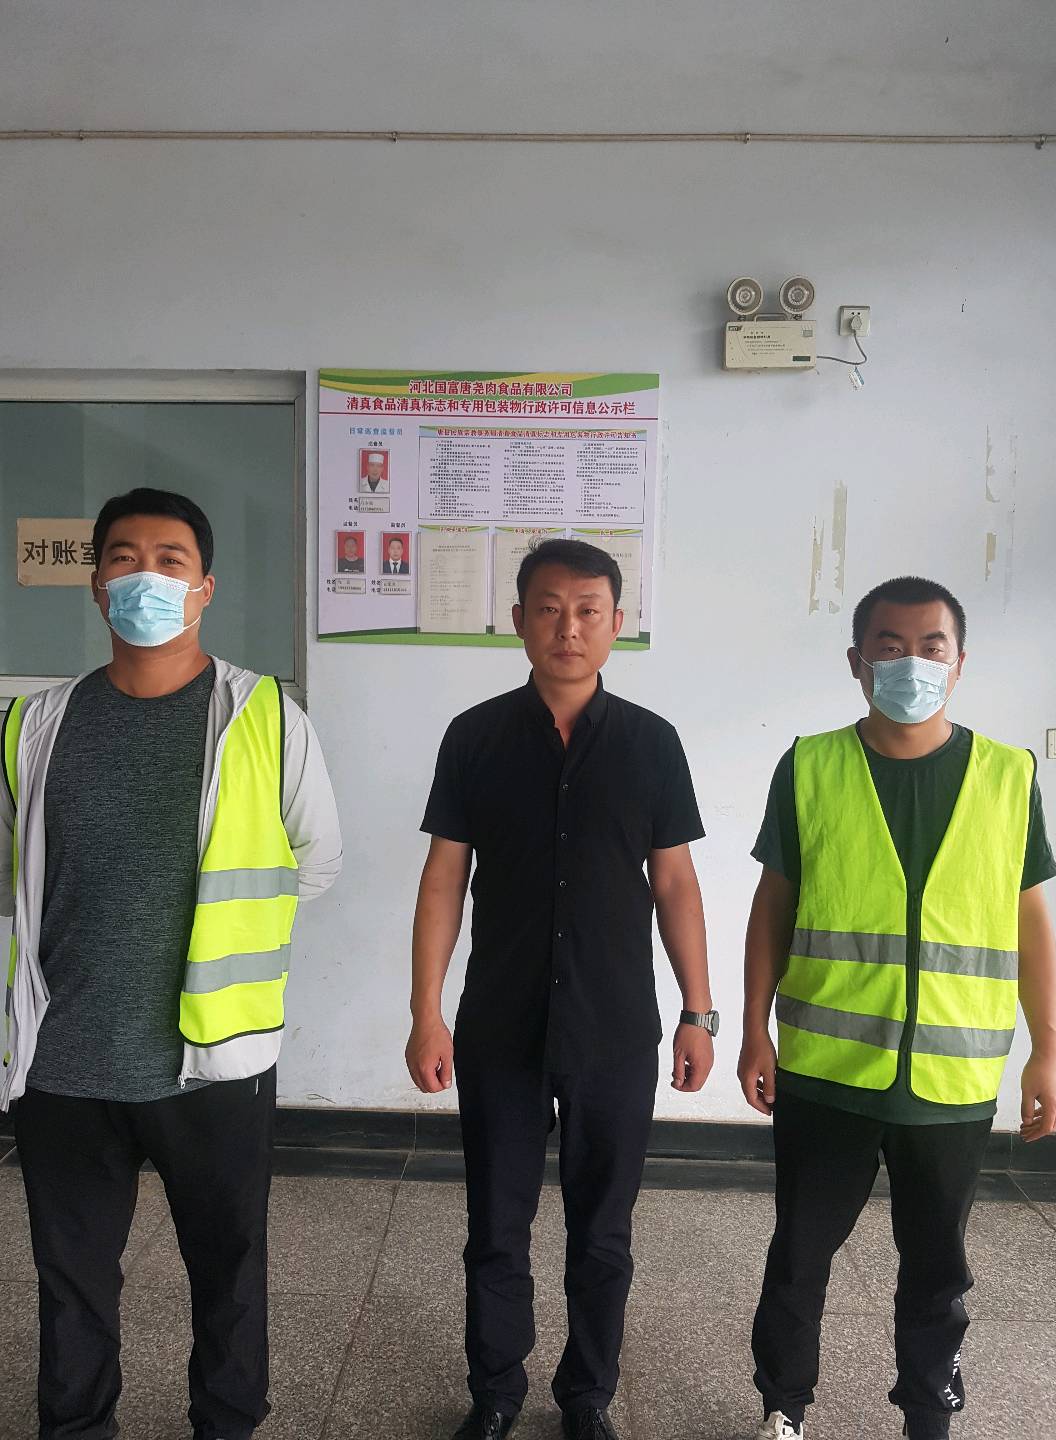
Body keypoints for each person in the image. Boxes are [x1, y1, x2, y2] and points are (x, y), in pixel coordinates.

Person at [0, 487, 342, 1440]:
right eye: (122, 558)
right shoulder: (35, 724)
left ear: (205, 588)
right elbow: (14, 876)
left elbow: (316, 860)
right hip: (64, 1061)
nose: (144, 576)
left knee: (230, 1271)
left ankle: (225, 1426)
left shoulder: (263, 717)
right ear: (95, 584)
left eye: (169, 560)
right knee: (70, 1279)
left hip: (212, 1057)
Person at [737, 575, 1056, 1440]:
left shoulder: (1007, 775)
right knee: (799, 1257)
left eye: (930, 647)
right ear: (857, 661)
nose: (910, 662)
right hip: (827, 1072)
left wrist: (1048, 1049)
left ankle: (927, 1416)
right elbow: (773, 906)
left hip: (953, 1082)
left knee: (937, 1271)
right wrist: (752, 1029)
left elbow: (1030, 920)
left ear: (959, 664)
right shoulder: (810, 765)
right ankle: (783, 1409)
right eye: (890, 646)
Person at [407, 537, 715, 1440]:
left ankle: (587, 1397)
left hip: (615, 1028)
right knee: (495, 1227)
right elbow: (443, 879)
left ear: (617, 624)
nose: (567, 628)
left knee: (603, 1232)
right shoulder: (474, 736)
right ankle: (496, 1392)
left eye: (587, 611)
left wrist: (698, 1013)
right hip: (499, 1024)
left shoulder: (652, 743)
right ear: (518, 621)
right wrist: (426, 1012)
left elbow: (676, 884)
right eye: (548, 609)